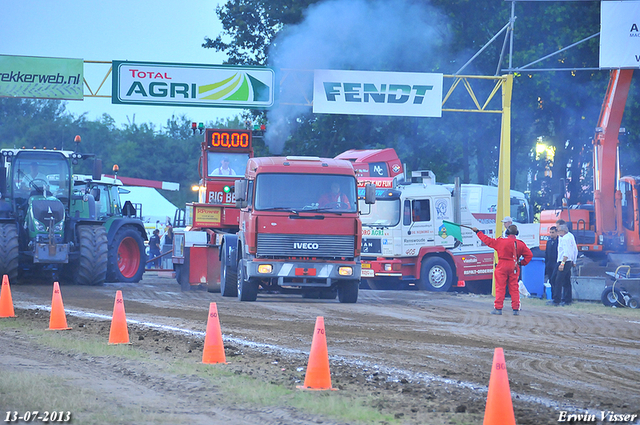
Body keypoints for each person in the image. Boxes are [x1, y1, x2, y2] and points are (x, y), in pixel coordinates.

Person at [471, 224, 533, 315]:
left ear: (507, 232)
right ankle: (516, 309)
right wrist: (521, 263)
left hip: (502, 265)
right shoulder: (520, 244)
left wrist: (478, 232)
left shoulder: (500, 241)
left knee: (500, 287)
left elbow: (487, 241)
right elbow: (529, 255)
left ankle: (498, 308)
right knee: (514, 288)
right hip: (514, 266)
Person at [550, 223, 578, 306]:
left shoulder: (565, 239)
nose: (557, 233)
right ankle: (567, 299)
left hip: (564, 261)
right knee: (566, 281)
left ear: (562, 231)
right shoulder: (570, 236)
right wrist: (574, 260)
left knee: (556, 280)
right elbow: (574, 249)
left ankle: (556, 300)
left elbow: (566, 252)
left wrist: (562, 263)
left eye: (558, 231)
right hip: (569, 261)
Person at [544, 226, 559, 298]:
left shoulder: (559, 242)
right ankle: (553, 296)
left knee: (555, 280)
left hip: (556, 264)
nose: (551, 234)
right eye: (550, 232)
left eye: (553, 232)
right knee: (551, 280)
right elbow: (546, 253)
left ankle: (557, 296)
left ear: (556, 232)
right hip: (549, 264)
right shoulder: (549, 242)